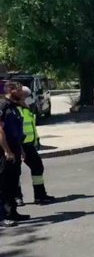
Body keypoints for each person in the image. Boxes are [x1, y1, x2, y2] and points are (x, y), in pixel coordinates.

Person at [15, 86, 55, 206]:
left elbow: (31, 127)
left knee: (37, 167)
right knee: (15, 172)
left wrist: (36, 140)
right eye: (26, 97)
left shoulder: (27, 109)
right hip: (18, 145)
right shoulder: (15, 109)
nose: (28, 99)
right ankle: (17, 197)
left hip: (29, 144)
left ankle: (40, 195)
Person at [0, 81, 31, 227]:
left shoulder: (14, 107)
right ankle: (2, 216)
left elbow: (16, 131)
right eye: (19, 91)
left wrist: (21, 149)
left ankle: (12, 212)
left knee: (13, 183)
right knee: (3, 184)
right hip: (5, 151)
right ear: (11, 90)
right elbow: (0, 131)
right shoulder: (3, 106)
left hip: (15, 149)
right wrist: (7, 150)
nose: (22, 93)